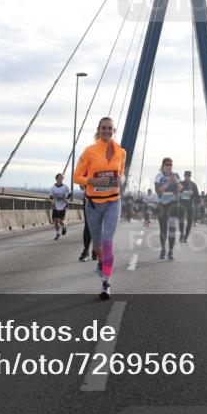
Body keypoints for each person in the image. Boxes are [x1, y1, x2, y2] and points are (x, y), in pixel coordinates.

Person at [74, 116, 126, 300]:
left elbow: (122, 175)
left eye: (110, 128)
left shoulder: (120, 151)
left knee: (107, 241)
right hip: (94, 204)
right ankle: (101, 262)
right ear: (99, 129)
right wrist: (93, 180)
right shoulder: (89, 151)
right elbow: (76, 177)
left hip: (113, 201)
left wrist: (122, 180)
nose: (106, 131)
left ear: (114, 130)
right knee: (97, 246)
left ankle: (106, 283)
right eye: (103, 128)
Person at [154, 159, 181, 260]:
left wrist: (177, 185)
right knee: (163, 229)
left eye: (171, 165)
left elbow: (181, 188)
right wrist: (169, 182)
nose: (169, 166)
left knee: (172, 230)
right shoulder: (159, 176)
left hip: (173, 205)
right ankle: (163, 249)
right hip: (162, 205)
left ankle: (170, 251)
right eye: (167, 165)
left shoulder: (175, 175)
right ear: (163, 166)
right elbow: (159, 192)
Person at [178, 170, 201, 243]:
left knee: (190, 221)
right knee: (181, 220)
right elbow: (177, 191)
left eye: (188, 176)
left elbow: (197, 196)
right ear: (184, 176)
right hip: (181, 204)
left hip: (190, 204)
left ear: (190, 176)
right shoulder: (181, 183)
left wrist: (193, 194)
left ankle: (186, 237)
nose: (187, 177)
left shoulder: (193, 185)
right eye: (186, 176)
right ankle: (181, 234)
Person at [49, 173, 71, 240]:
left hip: (63, 205)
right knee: (55, 220)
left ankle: (64, 225)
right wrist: (54, 197)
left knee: (60, 221)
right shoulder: (53, 188)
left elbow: (70, 194)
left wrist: (66, 198)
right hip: (56, 205)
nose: (60, 180)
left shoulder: (65, 187)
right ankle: (58, 234)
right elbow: (50, 197)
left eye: (61, 178)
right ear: (56, 179)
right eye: (59, 178)